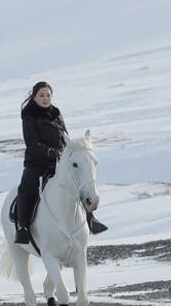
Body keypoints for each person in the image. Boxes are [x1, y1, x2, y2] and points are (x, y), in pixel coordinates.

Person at [14, 81, 107, 244]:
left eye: (48, 95)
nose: (45, 98)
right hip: (36, 163)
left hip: (58, 162)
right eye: (41, 95)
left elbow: (64, 136)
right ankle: (23, 229)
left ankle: (91, 219)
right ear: (34, 97)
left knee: (77, 182)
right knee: (25, 188)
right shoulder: (29, 115)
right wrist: (49, 151)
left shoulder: (56, 113)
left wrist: (68, 151)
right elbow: (31, 142)